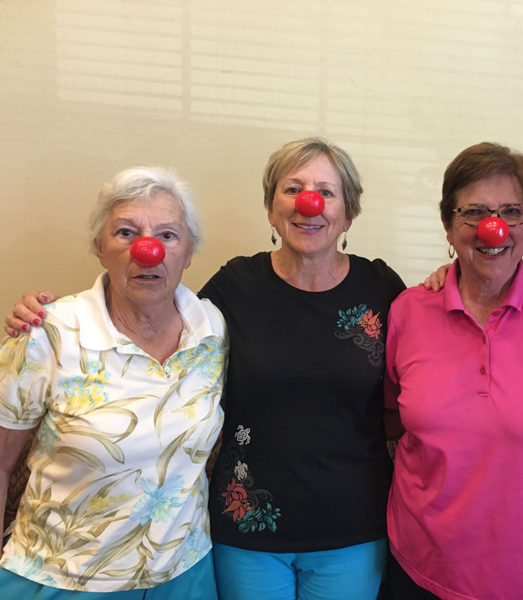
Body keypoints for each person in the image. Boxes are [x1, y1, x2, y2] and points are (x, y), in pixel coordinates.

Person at [6, 138, 406, 600]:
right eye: (293, 189)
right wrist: (41, 317)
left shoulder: (382, 288)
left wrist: (448, 279)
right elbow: (149, 312)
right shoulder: (233, 289)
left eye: (326, 192)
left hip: (352, 524)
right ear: (271, 209)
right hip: (246, 527)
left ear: (348, 213)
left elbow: (418, 374)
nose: (308, 203)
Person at [0, 167, 227, 598]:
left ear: (189, 252)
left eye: (168, 235)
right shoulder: (48, 333)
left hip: (184, 574)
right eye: (126, 232)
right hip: (61, 579)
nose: (148, 250)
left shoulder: (212, 329)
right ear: (99, 248)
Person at [382, 142, 523, 599]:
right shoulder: (407, 311)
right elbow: (390, 417)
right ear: (448, 226)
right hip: (419, 568)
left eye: (512, 211)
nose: (494, 228)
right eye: (474, 213)